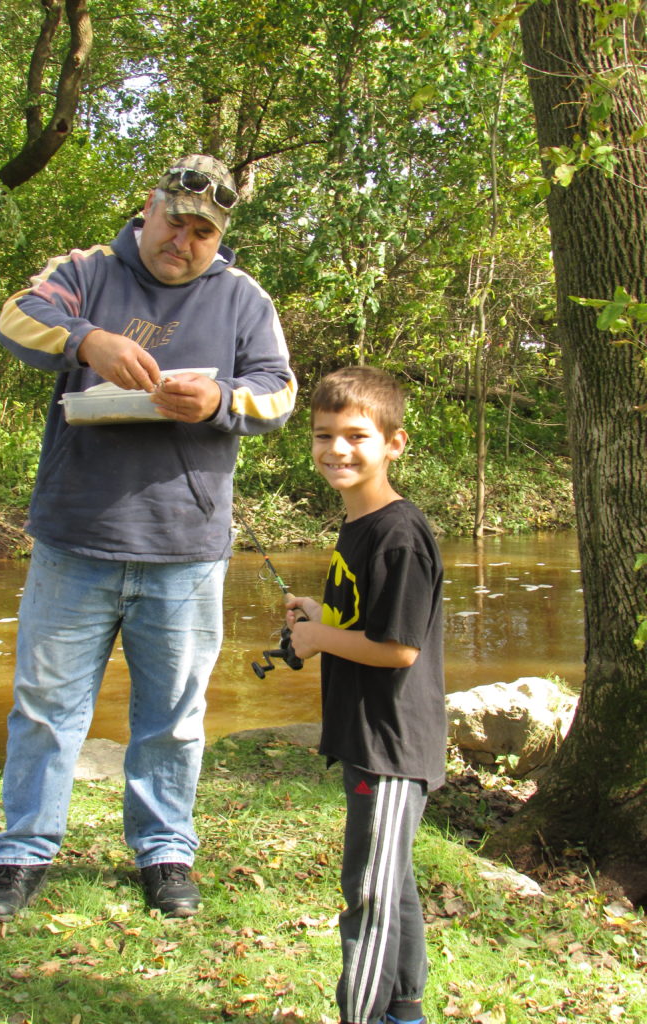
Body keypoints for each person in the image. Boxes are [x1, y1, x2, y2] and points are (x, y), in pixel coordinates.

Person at [0, 154, 297, 923]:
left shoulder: (244, 297)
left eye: (202, 232)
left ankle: (165, 851)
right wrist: (87, 342)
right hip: (73, 535)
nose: (183, 241)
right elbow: (15, 317)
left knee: (175, 716)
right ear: (148, 210)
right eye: (174, 221)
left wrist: (220, 397)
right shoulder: (87, 270)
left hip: (185, 548)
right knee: (47, 709)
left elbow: (278, 393)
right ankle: (21, 853)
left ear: (219, 237)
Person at [285, 367, 445, 1024]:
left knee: (369, 895)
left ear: (394, 443)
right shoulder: (359, 524)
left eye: (356, 435)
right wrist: (319, 612)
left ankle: (362, 1014)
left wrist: (319, 640)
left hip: (392, 745)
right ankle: (404, 1011)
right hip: (368, 736)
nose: (337, 449)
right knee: (392, 883)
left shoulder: (399, 534)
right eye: (324, 435)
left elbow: (399, 649)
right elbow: (367, 619)